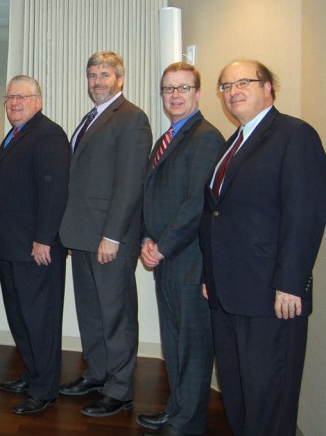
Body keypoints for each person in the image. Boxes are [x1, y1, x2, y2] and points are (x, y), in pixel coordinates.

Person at [199, 60, 326, 436]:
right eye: (225, 86)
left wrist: (291, 282)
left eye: (244, 82)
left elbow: (307, 213)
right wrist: (211, 276)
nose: (233, 91)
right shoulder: (233, 142)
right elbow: (216, 214)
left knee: (269, 396)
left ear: (268, 87)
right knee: (238, 393)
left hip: (272, 295)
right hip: (228, 292)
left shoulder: (294, 135)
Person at [58, 51, 151, 418]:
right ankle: (97, 373)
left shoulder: (131, 118)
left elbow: (130, 184)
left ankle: (120, 390)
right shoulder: (91, 117)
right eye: (92, 74)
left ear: (120, 79)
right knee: (91, 313)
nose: (97, 80)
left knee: (116, 315)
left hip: (110, 239)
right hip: (82, 236)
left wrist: (112, 235)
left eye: (105, 74)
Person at [137, 62, 225, 436]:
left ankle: (188, 424)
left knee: (192, 349)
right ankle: (175, 411)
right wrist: (145, 239)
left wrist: (163, 247)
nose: (175, 95)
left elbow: (196, 205)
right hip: (166, 259)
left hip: (189, 264)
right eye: (168, 89)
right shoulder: (166, 138)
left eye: (183, 88)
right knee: (173, 346)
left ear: (198, 94)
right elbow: (150, 197)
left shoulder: (206, 137)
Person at [0, 75, 70, 415]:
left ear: (38, 100)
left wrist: (43, 239)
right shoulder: (16, 134)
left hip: (35, 248)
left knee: (40, 320)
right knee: (20, 317)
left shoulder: (48, 134)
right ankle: (33, 373)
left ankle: (44, 389)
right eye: (10, 97)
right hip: (11, 246)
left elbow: (54, 192)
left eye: (22, 97)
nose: (14, 103)